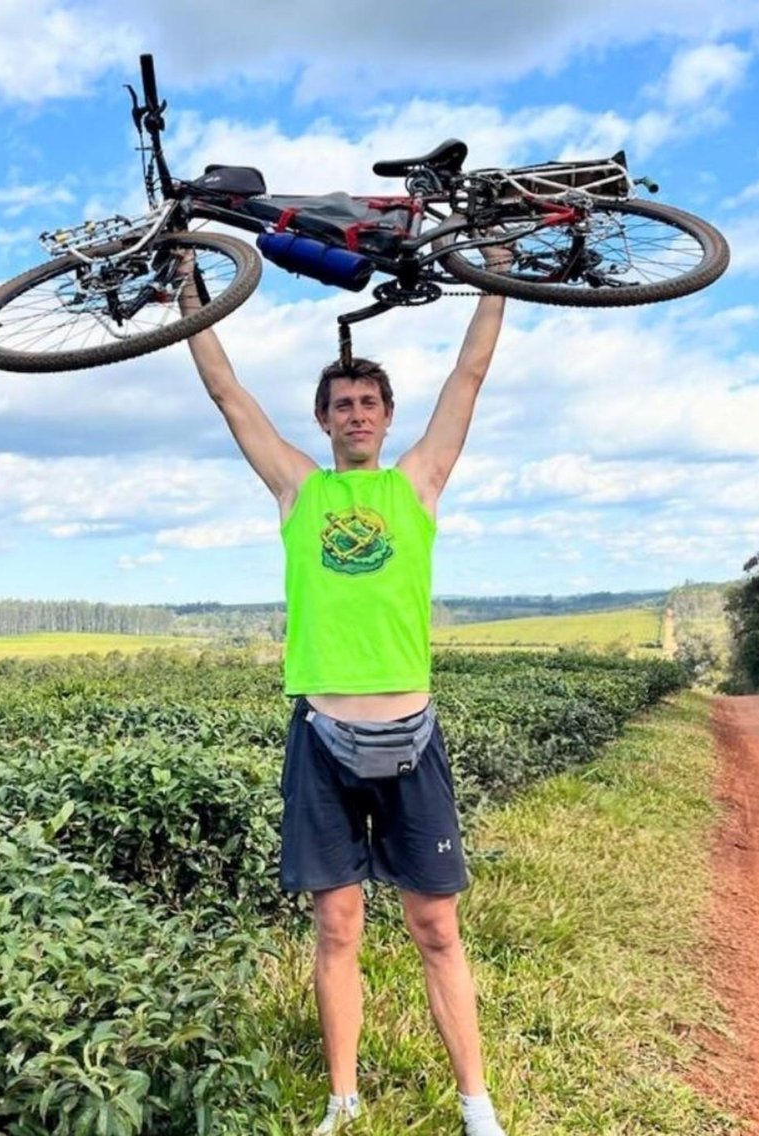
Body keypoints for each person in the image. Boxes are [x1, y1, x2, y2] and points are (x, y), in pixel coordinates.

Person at [178, 246, 511, 1136]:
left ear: (387, 416)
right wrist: (187, 292)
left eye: (369, 403)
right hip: (322, 737)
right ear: (323, 421)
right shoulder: (299, 491)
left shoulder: (418, 484)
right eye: (341, 405)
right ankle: (343, 1099)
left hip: (411, 734)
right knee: (338, 929)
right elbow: (228, 395)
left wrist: (497, 279)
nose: (356, 414)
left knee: (436, 927)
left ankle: (476, 1104)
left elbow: (469, 376)